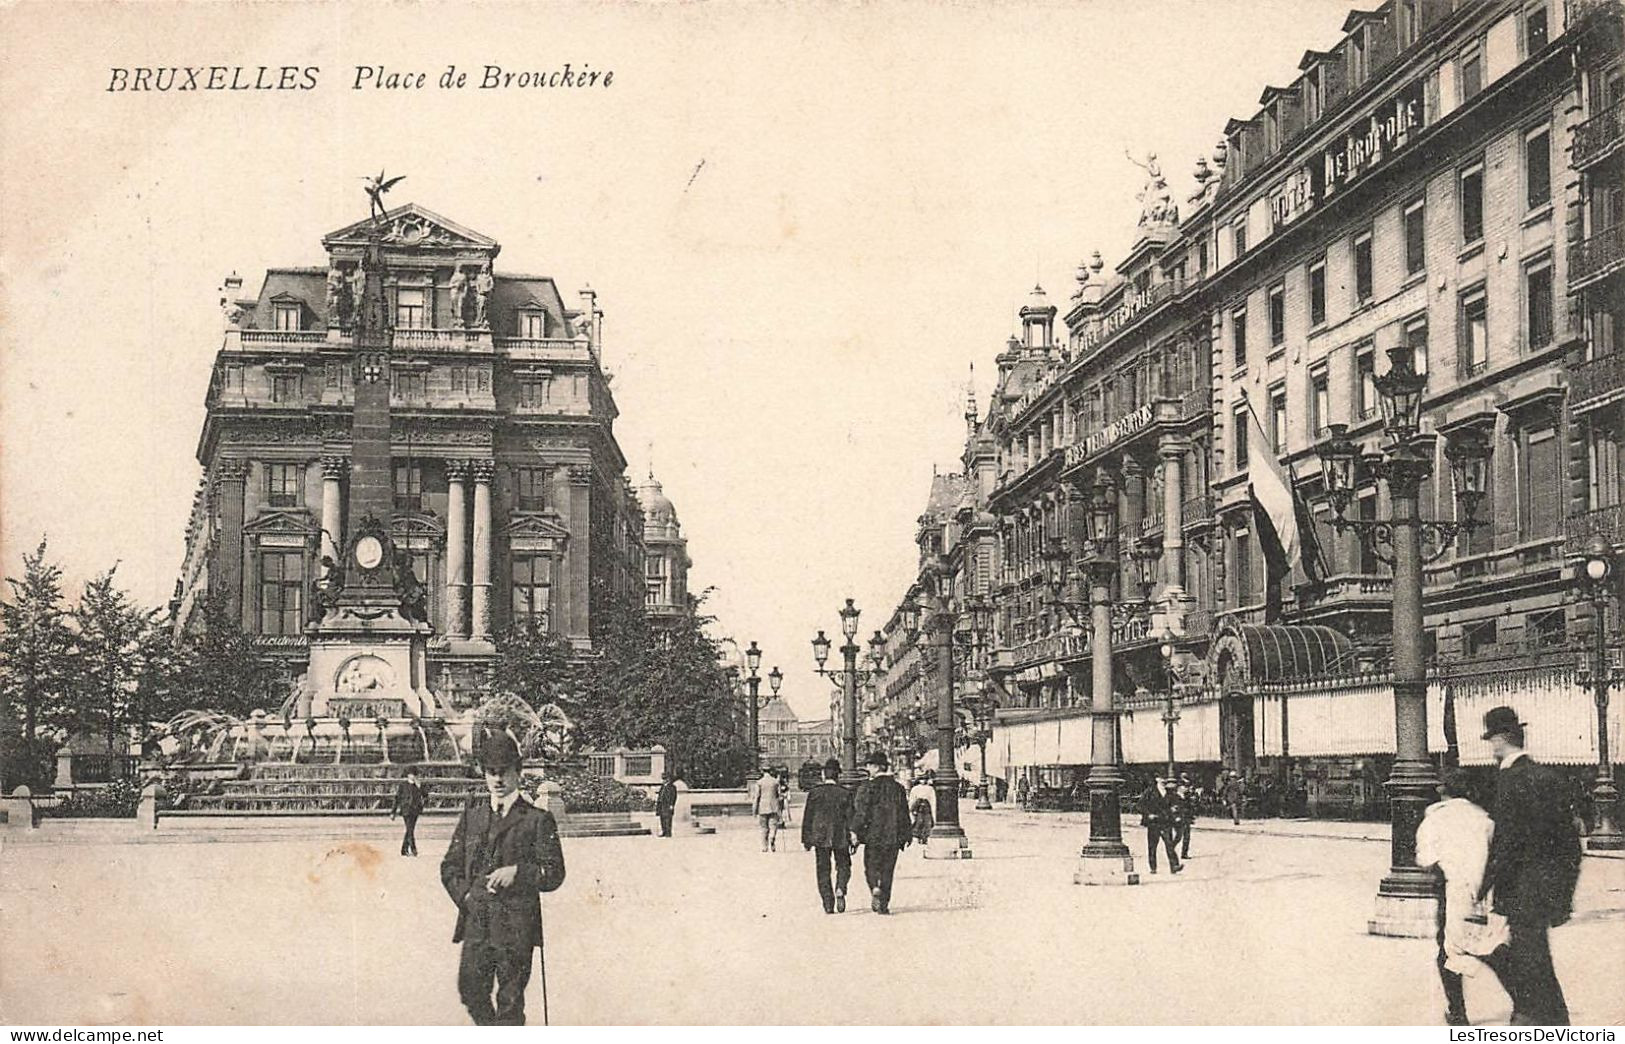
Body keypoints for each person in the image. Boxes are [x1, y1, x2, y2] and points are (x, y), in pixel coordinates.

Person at [439, 733, 566, 1026]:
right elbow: (449, 866)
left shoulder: (537, 819)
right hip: (477, 922)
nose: (497, 779)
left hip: (516, 927)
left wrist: (519, 873)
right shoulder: (473, 815)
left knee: (510, 1003)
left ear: (518, 772)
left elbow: (554, 873)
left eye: (504, 771)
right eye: (491, 772)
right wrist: (466, 896)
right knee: (470, 991)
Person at [1477, 706, 1582, 1026]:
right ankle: (1547, 1018)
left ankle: (1541, 1020)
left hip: (1520, 891)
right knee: (1535, 957)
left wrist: (1484, 888)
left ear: (1499, 740)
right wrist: (1563, 894)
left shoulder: (1509, 780)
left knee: (1527, 958)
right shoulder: (1548, 777)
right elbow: (1571, 846)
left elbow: (1506, 844)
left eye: (1492, 740)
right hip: (1546, 889)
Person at [1416, 769, 1515, 1026]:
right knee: (1491, 947)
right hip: (1484, 892)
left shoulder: (1434, 819)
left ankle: (1458, 1013)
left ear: (1443, 790)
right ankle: (1523, 1002)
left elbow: (1425, 859)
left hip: (1452, 892)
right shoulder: (1484, 819)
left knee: (1448, 951)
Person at [851, 751, 913, 913]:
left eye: (869, 765)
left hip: (873, 836)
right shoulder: (898, 788)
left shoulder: (867, 787)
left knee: (870, 866)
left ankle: (874, 887)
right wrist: (907, 834)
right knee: (888, 869)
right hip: (893, 836)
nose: (867, 768)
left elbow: (862, 812)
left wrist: (855, 831)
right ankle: (884, 905)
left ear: (877, 767)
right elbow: (904, 813)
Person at [801, 758, 855, 913]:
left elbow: (808, 817)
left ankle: (828, 903)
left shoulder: (815, 793)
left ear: (824, 775)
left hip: (820, 836)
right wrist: (853, 837)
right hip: (841, 835)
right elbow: (851, 816)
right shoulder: (845, 793)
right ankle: (840, 888)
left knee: (823, 869)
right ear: (838, 775)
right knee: (844, 864)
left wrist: (806, 839)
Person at [1139, 776, 1183, 874]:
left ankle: (1174, 866)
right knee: (1152, 846)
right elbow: (1141, 805)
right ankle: (1153, 867)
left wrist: (1175, 811)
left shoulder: (1170, 792)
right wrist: (1148, 814)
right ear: (1157, 779)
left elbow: (1175, 804)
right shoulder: (1149, 792)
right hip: (1153, 823)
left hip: (1166, 822)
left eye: (1165, 778)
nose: (1164, 780)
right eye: (1162, 778)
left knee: (1169, 844)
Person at [391, 769, 427, 856]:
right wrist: (393, 812)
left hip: (415, 810)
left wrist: (420, 788)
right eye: (411, 774)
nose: (413, 776)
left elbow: (426, 796)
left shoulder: (418, 785)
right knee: (410, 829)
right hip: (406, 810)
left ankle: (404, 849)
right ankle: (413, 849)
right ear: (408, 775)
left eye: (415, 775)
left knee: (410, 830)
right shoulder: (403, 785)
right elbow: (397, 798)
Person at [751, 766, 783, 852]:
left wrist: (754, 810)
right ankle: (772, 837)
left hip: (763, 807)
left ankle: (764, 846)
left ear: (762, 771)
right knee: (773, 825)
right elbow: (779, 796)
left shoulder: (759, 782)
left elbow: (757, 797)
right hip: (774, 806)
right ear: (771, 771)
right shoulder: (775, 782)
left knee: (764, 827)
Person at [908, 772, 936, 846]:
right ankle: (918, 836)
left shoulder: (930, 789)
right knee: (918, 821)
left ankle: (925, 837)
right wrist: (911, 808)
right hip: (918, 807)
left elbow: (932, 799)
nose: (923, 781)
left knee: (927, 822)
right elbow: (912, 799)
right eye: (921, 779)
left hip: (927, 808)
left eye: (924, 779)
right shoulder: (915, 789)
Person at [655, 772, 678, 838]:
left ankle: (668, 833)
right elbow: (660, 796)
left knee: (668, 819)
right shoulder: (662, 787)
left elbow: (674, 796)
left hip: (667, 805)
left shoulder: (672, 787)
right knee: (662, 818)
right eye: (663, 779)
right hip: (661, 804)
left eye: (665, 779)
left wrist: (672, 804)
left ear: (668, 779)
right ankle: (664, 831)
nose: (664, 780)